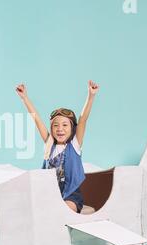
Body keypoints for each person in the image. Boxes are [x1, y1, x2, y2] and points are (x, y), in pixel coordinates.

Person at [16, 80, 100, 213]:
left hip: (70, 196)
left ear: (72, 128)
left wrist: (91, 96)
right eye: (56, 125)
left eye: (65, 125)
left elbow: (83, 119)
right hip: (50, 194)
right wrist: (25, 98)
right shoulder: (50, 144)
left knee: (61, 210)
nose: (60, 129)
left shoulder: (74, 145)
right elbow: (37, 120)